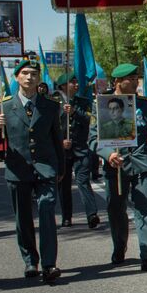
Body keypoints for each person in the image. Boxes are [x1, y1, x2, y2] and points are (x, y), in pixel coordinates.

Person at [0, 56, 63, 283]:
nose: (29, 77)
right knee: (23, 219)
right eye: (25, 74)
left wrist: (59, 167)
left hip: (45, 168)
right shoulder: (5, 105)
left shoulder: (50, 106)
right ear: (17, 77)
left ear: (38, 78)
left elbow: (56, 138)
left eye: (33, 74)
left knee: (46, 211)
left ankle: (49, 264)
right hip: (18, 169)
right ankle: (31, 260)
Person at [95, 64, 147, 272]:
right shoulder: (102, 105)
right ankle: (119, 245)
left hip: (142, 163)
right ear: (118, 82)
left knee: (145, 209)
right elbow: (92, 138)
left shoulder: (145, 105)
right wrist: (108, 154)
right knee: (116, 209)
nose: (136, 82)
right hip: (116, 165)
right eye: (131, 79)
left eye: (137, 78)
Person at [54, 73, 101, 230]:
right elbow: (49, 126)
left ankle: (91, 214)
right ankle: (67, 217)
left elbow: (92, 120)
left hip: (81, 148)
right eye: (71, 82)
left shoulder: (84, 102)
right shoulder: (53, 103)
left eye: (76, 82)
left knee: (83, 181)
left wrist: (75, 112)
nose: (75, 84)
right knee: (64, 184)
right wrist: (60, 141)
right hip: (63, 150)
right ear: (62, 86)